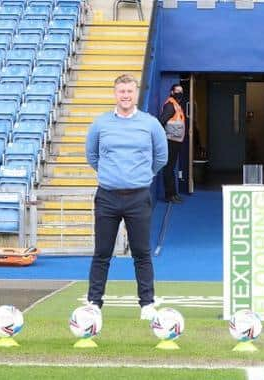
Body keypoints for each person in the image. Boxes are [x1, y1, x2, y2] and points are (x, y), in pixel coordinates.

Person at [85, 74, 168, 320]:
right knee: (102, 252)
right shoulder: (100, 124)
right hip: (107, 197)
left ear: (135, 93)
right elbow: (92, 156)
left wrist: (141, 176)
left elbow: (161, 158)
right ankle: (94, 302)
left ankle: (147, 303)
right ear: (115, 93)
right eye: (121, 91)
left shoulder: (151, 123)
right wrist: (112, 176)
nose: (125, 95)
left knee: (141, 252)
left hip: (138, 197)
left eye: (129, 91)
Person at [160, 84, 186, 203]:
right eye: (177, 91)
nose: (179, 93)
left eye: (181, 91)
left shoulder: (176, 105)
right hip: (170, 141)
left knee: (171, 168)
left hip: (175, 141)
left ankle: (173, 194)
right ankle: (169, 195)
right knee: (169, 168)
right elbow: (161, 121)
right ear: (172, 92)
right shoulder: (170, 105)